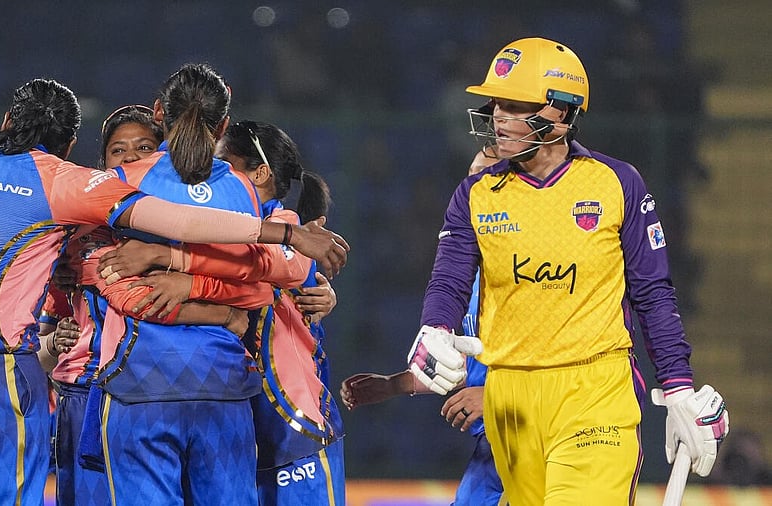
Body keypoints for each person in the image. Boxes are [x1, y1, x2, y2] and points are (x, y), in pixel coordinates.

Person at [0, 78, 348, 505]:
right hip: (5, 366)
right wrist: (231, 298)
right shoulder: (68, 185)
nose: (129, 160)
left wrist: (192, 273)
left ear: (8, 121)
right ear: (74, 149)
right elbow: (184, 229)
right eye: (118, 152)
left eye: (142, 148)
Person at [405, 37, 729, 504]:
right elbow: (449, 280)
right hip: (509, 401)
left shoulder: (617, 183)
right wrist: (434, 328)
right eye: (497, 104)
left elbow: (653, 293)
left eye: (515, 105)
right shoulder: (474, 194)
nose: (498, 116)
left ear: (560, 111)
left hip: (595, 393)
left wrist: (677, 388)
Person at [95, 119, 346, 504]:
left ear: (258, 174)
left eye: (222, 162)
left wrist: (182, 276)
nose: (209, 171)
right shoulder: (216, 228)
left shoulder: (286, 226)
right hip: (240, 411)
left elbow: (273, 272)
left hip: (294, 418)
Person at [340, 148, 502, 506]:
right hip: (495, 445)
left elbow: (564, 363)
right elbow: (474, 364)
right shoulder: (471, 278)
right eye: (471, 178)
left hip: (540, 437)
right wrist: (394, 384)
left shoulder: (536, 274)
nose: (474, 189)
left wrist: (496, 398)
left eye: (488, 178)